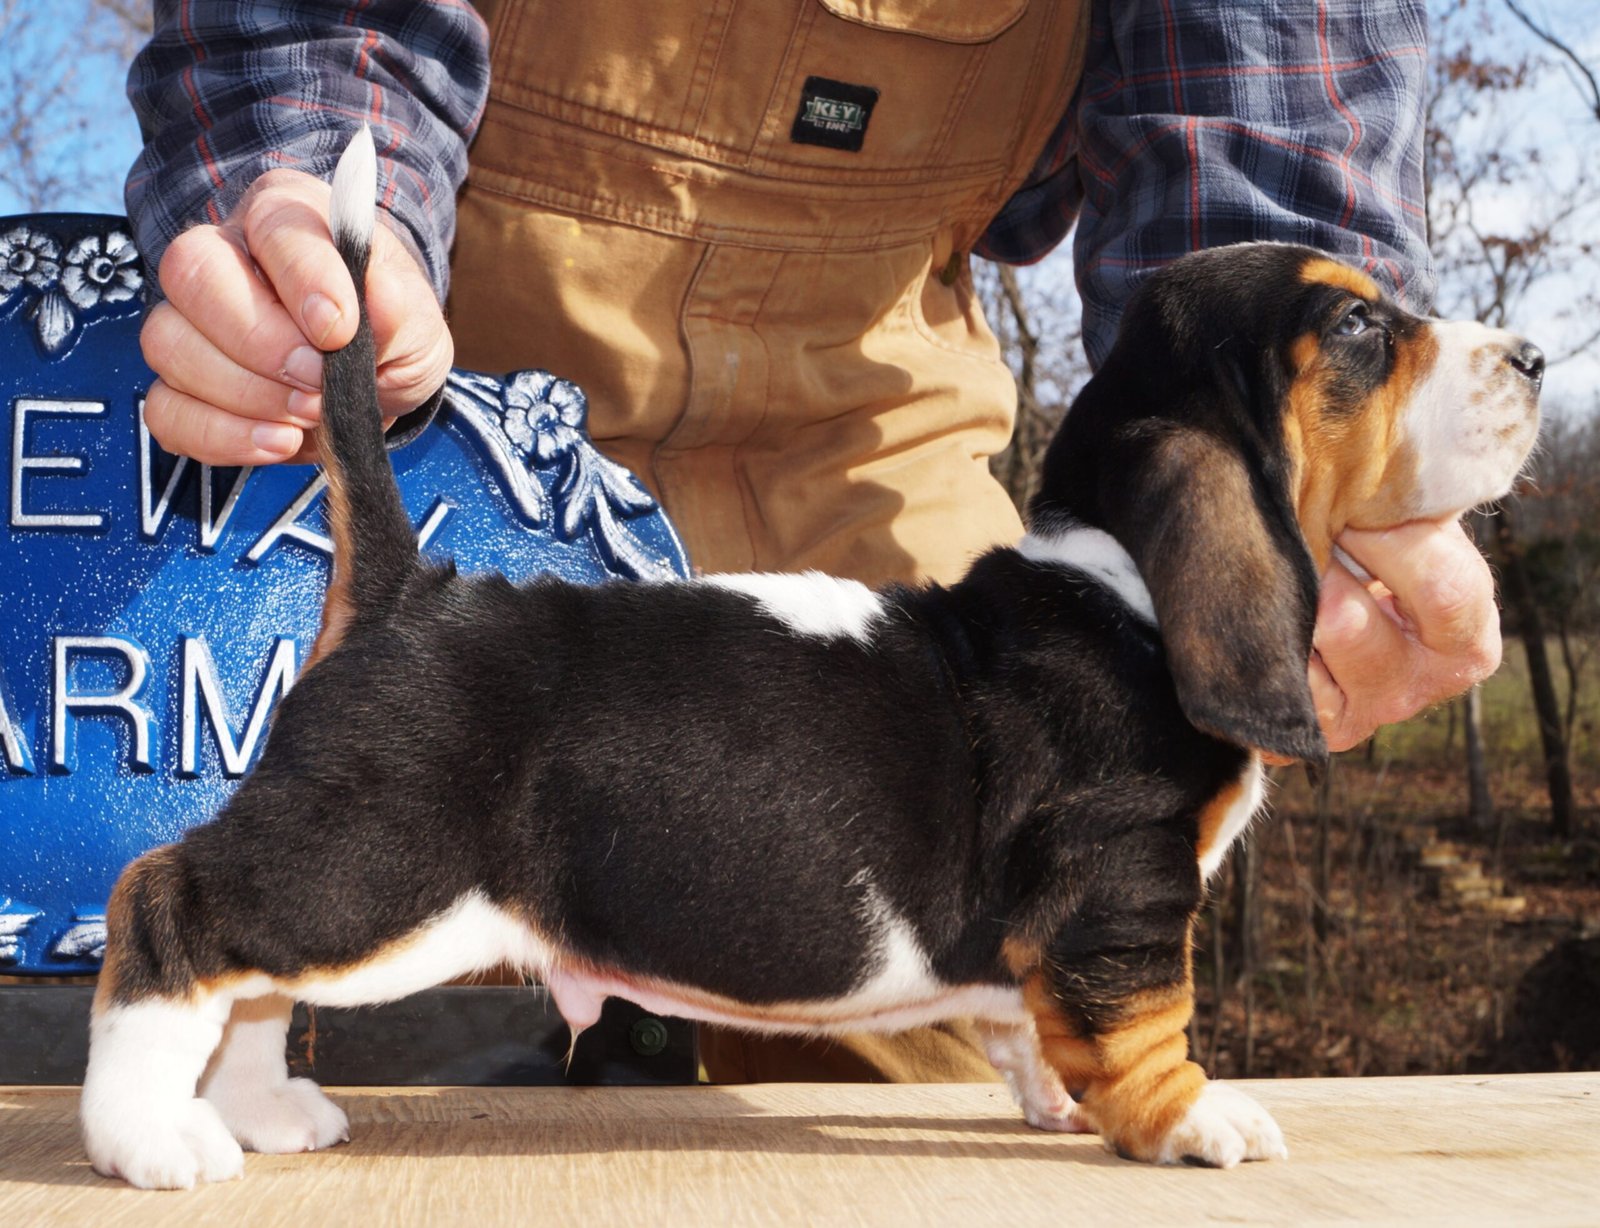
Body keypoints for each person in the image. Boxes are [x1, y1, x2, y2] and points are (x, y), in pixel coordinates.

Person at [123, 0, 1501, 1082]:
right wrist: (303, 212)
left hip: (872, 450)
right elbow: (317, 29)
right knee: (338, 941)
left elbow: (1258, 149)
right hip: (464, 424)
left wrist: (1309, 449)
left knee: (964, 1036)